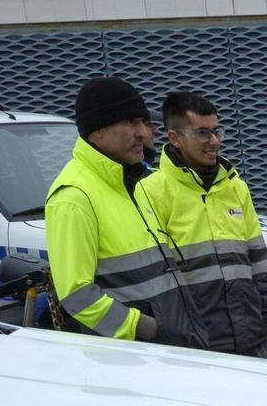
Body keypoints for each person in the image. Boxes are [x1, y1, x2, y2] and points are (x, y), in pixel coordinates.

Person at [44, 76, 191, 344]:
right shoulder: (73, 197)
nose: (144, 133)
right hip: (131, 356)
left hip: (170, 345)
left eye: (143, 122)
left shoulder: (131, 181)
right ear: (96, 131)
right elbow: (77, 296)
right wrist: (150, 331)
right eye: (130, 122)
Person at [132, 91, 267, 360]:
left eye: (216, 131)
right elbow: (155, 282)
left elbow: (259, 263)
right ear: (174, 138)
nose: (214, 141)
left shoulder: (236, 187)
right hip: (196, 347)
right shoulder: (150, 191)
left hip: (253, 341)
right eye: (202, 133)